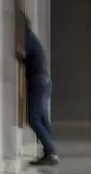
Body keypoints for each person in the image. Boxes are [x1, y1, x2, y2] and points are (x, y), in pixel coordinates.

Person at [19, 19, 58, 166]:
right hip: (43, 83)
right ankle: (50, 152)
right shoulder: (31, 37)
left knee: (34, 118)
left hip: (39, 83)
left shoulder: (26, 38)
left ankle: (51, 151)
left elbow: (20, 53)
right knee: (42, 118)